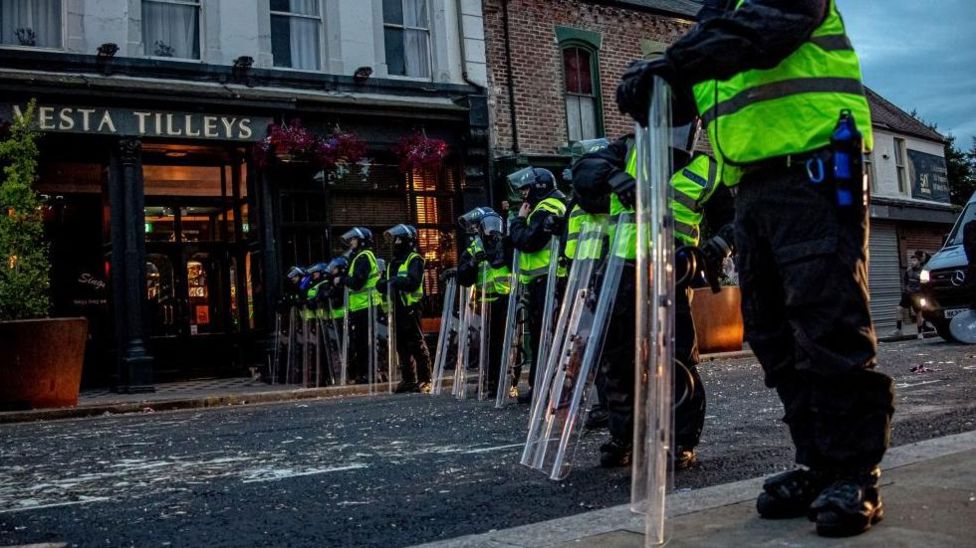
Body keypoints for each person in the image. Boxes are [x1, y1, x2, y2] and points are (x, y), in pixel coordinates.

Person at [616, 0, 894, 537]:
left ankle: (856, 473)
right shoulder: (713, 19)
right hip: (751, 186)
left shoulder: (746, 15)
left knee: (827, 324)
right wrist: (650, 86)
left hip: (814, 169)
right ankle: (817, 464)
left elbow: (763, 32)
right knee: (772, 332)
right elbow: (686, 102)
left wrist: (673, 61)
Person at [572, 137, 734, 470]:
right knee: (617, 361)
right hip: (622, 269)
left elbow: (735, 218)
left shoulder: (708, 170)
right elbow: (583, 171)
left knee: (677, 360)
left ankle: (681, 441)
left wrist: (721, 242)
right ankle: (625, 438)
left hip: (671, 275)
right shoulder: (628, 150)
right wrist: (613, 177)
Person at [507, 167, 567, 403]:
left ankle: (552, 388)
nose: (523, 194)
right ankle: (540, 386)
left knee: (548, 335)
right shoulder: (540, 207)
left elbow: (528, 241)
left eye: (526, 189)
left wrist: (519, 221)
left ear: (539, 187)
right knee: (541, 336)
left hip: (549, 280)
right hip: (539, 281)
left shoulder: (548, 207)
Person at [457, 208, 517, 397]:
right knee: (485, 345)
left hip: (506, 299)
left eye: (495, 226)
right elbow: (463, 277)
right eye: (488, 226)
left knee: (506, 344)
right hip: (483, 303)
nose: (492, 231)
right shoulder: (474, 248)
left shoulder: (506, 244)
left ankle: (508, 383)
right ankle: (488, 381)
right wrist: (473, 263)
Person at [379, 224, 433, 394]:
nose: (396, 242)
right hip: (396, 308)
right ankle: (408, 379)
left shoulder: (414, 258)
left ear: (408, 240)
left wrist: (395, 281)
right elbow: (382, 283)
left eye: (399, 239)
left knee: (416, 342)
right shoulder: (392, 263)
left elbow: (413, 281)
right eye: (395, 239)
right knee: (401, 345)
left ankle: (425, 380)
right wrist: (384, 283)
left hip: (411, 306)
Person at [341, 227, 382, 384]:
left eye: (354, 239)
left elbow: (358, 282)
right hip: (360, 306)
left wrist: (344, 280)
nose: (351, 242)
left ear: (361, 241)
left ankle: (369, 374)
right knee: (360, 342)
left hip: (367, 305)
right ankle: (364, 373)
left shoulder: (364, 257)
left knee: (366, 342)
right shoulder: (357, 257)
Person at [894, 251, 929, 339]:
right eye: (912, 260)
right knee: (899, 309)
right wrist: (906, 289)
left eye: (914, 260)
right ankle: (898, 330)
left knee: (918, 313)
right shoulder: (908, 270)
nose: (912, 262)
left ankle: (920, 333)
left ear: (919, 261)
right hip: (908, 294)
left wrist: (922, 294)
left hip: (917, 295)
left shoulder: (923, 271)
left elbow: (925, 285)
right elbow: (905, 281)